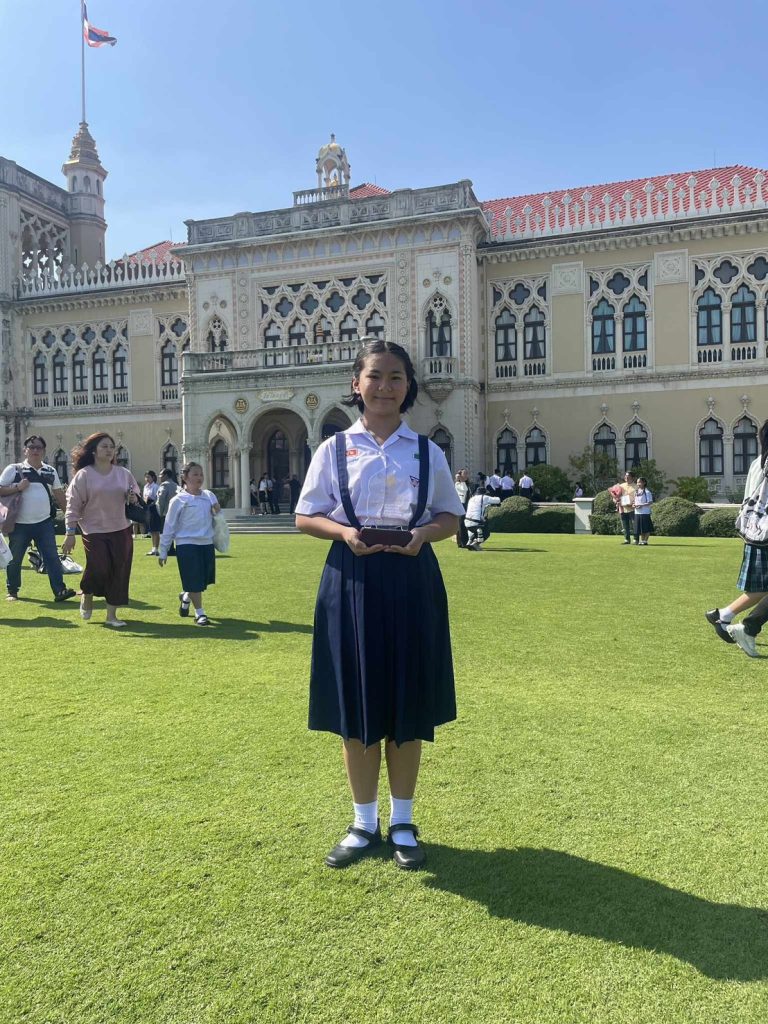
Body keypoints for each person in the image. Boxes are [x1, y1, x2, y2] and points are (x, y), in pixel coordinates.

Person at [295, 338, 464, 871]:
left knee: (406, 703)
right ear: (356, 383)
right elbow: (305, 515)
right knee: (359, 703)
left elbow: (449, 517)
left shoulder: (427, 451)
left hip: (413, 578)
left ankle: (403, 821)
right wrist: (344, 533)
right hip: (351, 580)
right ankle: (363, 823)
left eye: (396, 377)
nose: (385, 387)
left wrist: (422, 536)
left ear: (408, 386)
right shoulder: (332, 449)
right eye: (375, 376)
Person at [62, 432, 141, 627]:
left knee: (119, 570)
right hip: (93, 530)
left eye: (112, 447)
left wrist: (133, 497)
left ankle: (111, 616)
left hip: (121, 528)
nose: (109, 450)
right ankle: (87, 592)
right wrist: (70, 533)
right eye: (104, 446)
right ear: (94, 451)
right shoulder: (84, 475)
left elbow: (137, 496)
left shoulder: (123, 473)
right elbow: (73, 506)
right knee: (99, 567)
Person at [706, 420, 768, 651]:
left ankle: (725, 616)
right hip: (764, 531)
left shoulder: (757, 462)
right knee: (760, 587)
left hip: (754, 527)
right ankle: (739, 622)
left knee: (760, 587)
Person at [0, 434, 76, 603]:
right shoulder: (14, 469)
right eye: (32, 447)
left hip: (44, 523)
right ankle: (12, 590)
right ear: (25, 450)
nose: (35, 450)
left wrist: (70, 519)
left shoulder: (50, 471)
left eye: (39, 447)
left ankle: (60, 590)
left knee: (52, 557)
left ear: (44, 451)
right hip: (19, 524)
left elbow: (60, 496)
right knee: (15, 559)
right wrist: (17, 487)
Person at [158, 461, 220, 627]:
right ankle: (200, 613)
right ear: (185, 477)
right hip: (186, 545)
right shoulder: (178, 500)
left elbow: (218, 516)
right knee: (193, 579)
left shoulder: (209, 496)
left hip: (206, 544)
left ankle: (186, 597)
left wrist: (216, 510)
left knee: (201, 581)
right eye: (195, 474)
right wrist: (163, 550)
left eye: (201, 474)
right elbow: (169, 526)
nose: (199, 477)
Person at [464, 485, 501, 550]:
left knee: (475, 531)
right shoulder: (484, 497)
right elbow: (498, 500)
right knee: (486, 533)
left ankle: (469, 542)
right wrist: (493, 494)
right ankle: (475, 544)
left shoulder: (471, 498)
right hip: (476, 522)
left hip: (467, 522)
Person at [611, 471, 637, 545]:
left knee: (634, 524)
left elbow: (638, 498)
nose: (626, 477)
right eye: (625, 476)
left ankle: (636, 539)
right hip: (622, 508)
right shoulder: (621, 486)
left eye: (628, 476)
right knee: (625, 525)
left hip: (633, 508)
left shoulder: (636, 486)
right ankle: (626, 539)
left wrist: (633, 504)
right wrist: (616, 500)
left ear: (633, 477)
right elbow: (615, 496)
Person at [143, 470, 161, 555]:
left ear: (153, 477)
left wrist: (150, 500)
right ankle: (153, 548)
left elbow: (157, 498)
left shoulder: (156, 486)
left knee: (156, 529)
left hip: (154, 507)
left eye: (149, 477)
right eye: (146, 477)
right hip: (147, 508)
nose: (147, 479)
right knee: (151, 529)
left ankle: (156, 548)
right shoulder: (145, 487)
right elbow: (144, 497)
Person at [633, 477, 653, 545]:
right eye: (637, 482)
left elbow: (650, 502)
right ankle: (642, 540)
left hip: (645, 512)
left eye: (640, 482)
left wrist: (641, 505)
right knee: (641, 528)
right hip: (637, 512)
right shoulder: (636, 492)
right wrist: (634, 505)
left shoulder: (647, 492)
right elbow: (635, 501)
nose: (638, 484)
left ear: (644, 483)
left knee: (646, 528)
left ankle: (645, 541)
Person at [454, 469, 470, 548]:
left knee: (462, 524)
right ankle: (463, 542)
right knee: (462, 524)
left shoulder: (466, 484)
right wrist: (461, 480)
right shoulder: (458, 484)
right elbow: (464, 489)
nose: (466, 475)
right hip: (461, 505)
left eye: (467, 473)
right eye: (465, 474)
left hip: (465, 505)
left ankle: (461, 542)